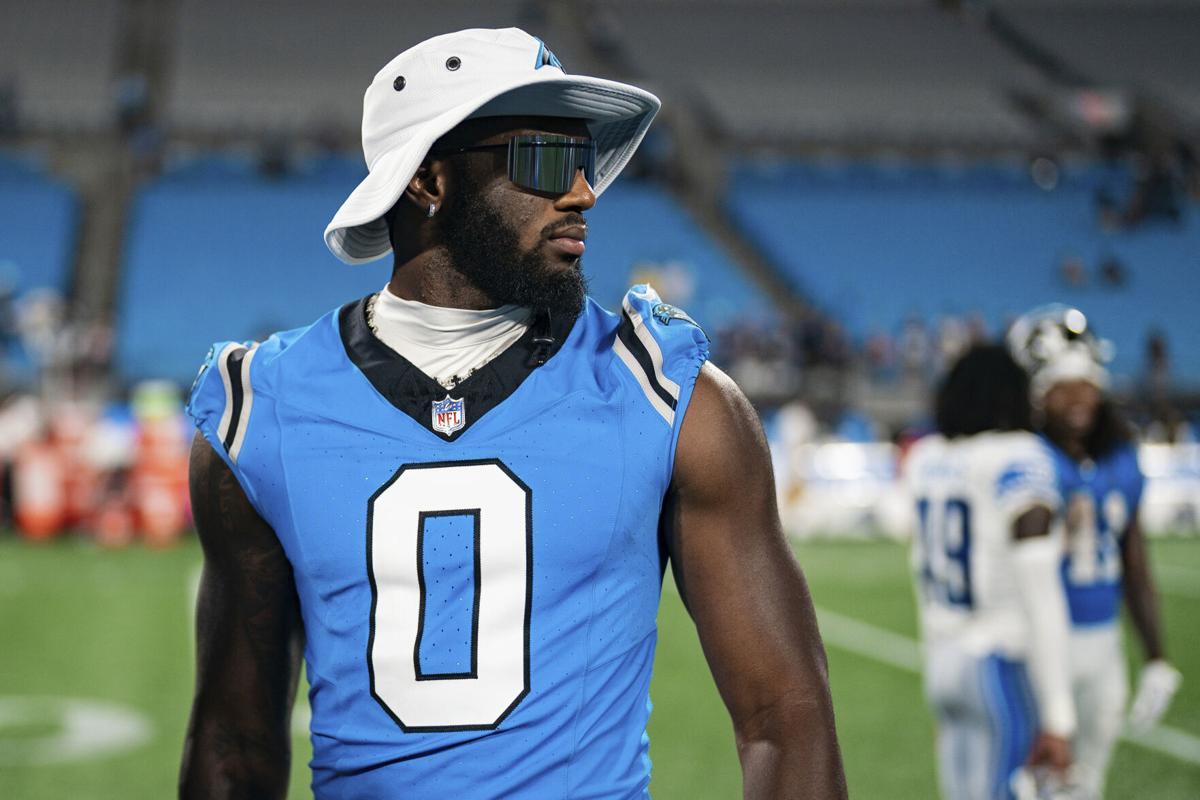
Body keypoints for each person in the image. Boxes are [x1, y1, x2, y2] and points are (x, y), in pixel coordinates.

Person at [178, 28, 845, 799]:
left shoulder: (668, 394)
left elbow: (783, 713)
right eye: (546, 161)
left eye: (586, 161)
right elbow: (235, 743)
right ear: (429, 180)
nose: (584, 193)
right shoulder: (262, 410)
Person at [1008, 305, 1181, 800]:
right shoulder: (1027, 461)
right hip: (1038, 643)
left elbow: (1135, 562)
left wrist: (1156, 657)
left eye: (1087, 381)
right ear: (1037, 394)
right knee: (1034, 784)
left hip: (1103, 643)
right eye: (1061, 384)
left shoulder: (1120, 460)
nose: (1078, 395)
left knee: (1088, 786)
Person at [905, 344, 1076, 800]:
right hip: (997, 662)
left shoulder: (925, 457)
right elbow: (1041, 591)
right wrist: (1059, 717)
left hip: (944, 657)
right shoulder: (1018, 455)